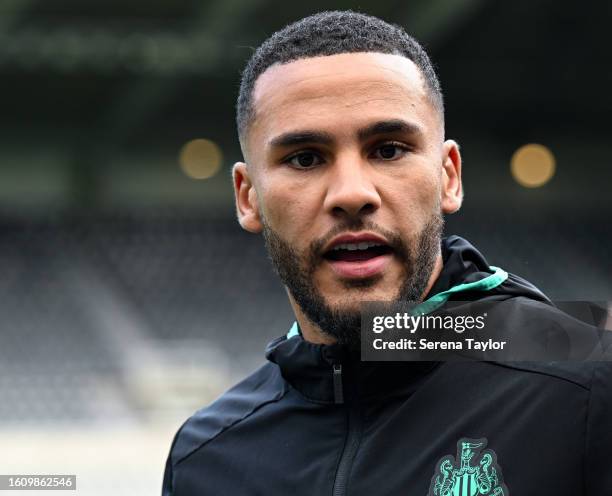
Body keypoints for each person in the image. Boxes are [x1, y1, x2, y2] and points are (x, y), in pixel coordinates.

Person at [162, 10, 611, 495]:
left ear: (449, 176)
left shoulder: (590, 389)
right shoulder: (206, 460)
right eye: (305, 158)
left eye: (389, 150)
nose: (352, 193)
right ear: (248, 197)